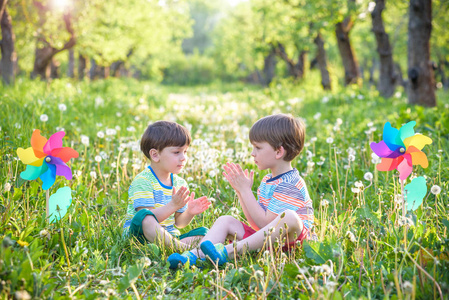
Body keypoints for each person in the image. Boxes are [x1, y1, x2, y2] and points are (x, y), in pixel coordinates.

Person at [168, 114, 315, 269]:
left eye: (258, 148)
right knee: (225, 220)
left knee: (290, 217)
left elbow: (267, 223)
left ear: (279, 152)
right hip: (268, 242)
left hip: (292, 244)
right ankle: (195, 256)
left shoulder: (290, 184)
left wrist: (246, 191)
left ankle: (227, 252)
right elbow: (258, 225)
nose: (253, 153)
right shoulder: (268, 180)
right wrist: (241, 192)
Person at [123, 121, 211, 251]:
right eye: (177, 152)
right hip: (140, 239)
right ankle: (186, 250)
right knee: (145, 217)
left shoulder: (180, 183)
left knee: (205, 233)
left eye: (185, 152)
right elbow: (147, 219)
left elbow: (179, 223)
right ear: (155, 155)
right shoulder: (143, 181)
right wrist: (173, 205)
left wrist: (190, 212)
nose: (183, 158)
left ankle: (179, 247)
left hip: (169, 237)